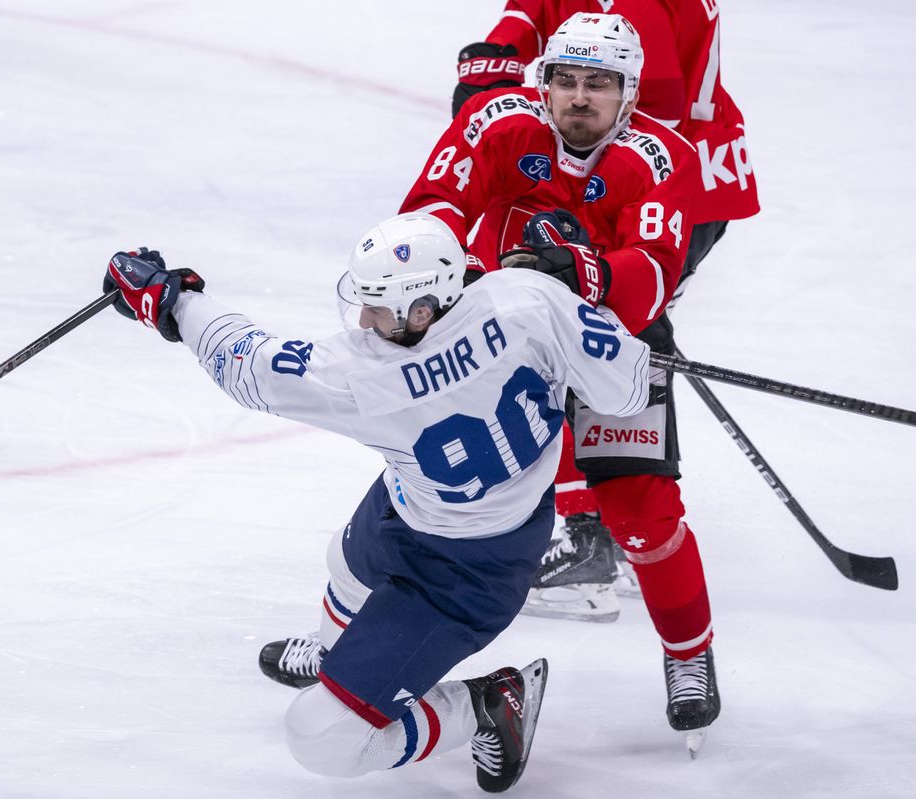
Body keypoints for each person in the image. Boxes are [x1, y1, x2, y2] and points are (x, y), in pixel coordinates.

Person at [260, 13, 724, 745]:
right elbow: (431, 211)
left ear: (629, 95)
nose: (577, 97)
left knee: (644, 510)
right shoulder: (500, 120)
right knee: (422, 487)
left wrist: (588, 269)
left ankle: (688, 654)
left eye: (597, 85)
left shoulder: (661, 154)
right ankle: (341, 642)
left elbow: (655, 275)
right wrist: (452, 270)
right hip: (499, 333)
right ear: (544, 81)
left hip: (611, 336)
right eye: (564, 80)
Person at [102, 212, 653, 791]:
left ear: (424, 310)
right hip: (429, 508)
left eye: (379, 307)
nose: (363, 320)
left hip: (466, 575)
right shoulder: (529, 297)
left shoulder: (362, 374)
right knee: (346, 568)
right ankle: (338, 654)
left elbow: (250, 364)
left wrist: (173, 302)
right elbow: (626, 392)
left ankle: (491, 703)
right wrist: (580, 301)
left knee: (322, 739)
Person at [453, 0, 759, 618]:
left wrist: (591, 266)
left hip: (674, 189)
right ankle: (589, 522)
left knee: (588, 341)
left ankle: (590, 534)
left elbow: (642, 124)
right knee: (543, 329)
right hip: (597, 188)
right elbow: (522, 22)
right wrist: (494, 63)